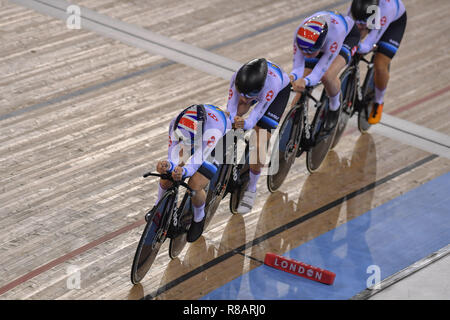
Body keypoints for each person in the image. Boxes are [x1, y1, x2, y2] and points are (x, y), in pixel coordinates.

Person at [155, 104, 232, 242]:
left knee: (195, 185)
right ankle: (158, 209)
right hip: (196, 134)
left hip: (220, 139)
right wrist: (168, 166)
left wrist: (183, 171)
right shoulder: (176, 123)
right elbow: (173, 157)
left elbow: (196, 162)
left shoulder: (214, 131)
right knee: (167, 175)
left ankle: (199, 218)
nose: (185, 145)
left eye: (188, 143)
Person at [227, 58, 291, 214]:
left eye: (248, 96)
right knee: (231, 120)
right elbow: (231, 107)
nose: (243, 98)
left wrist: (246, 125)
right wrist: (233, 120)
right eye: (241, 94)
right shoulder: (237, 77)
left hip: (277, 95)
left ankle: (252, 189)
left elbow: (255, 116)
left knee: (260, 139)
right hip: (253, 88)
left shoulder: (271, 86)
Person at [290, 11, 360, 131]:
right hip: (320, 39)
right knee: (301, 89)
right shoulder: (300, 34)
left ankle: (334, 107)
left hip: (346, 38)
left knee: (327, 76)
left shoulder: (335, 36)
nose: (306, 54)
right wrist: (292, 77)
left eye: (310, 52)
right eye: (303, 50)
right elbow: (298, 67)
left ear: (320, 45)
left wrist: (305, 81)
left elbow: (318, 73)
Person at [349, 0, 407, 124]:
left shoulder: (387, 8)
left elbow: (369, 43)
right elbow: (347, 25)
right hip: (370, 17)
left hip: (392, 25)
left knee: (380, 65)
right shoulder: (357, 5)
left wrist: (357, 47)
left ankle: (378, 102)